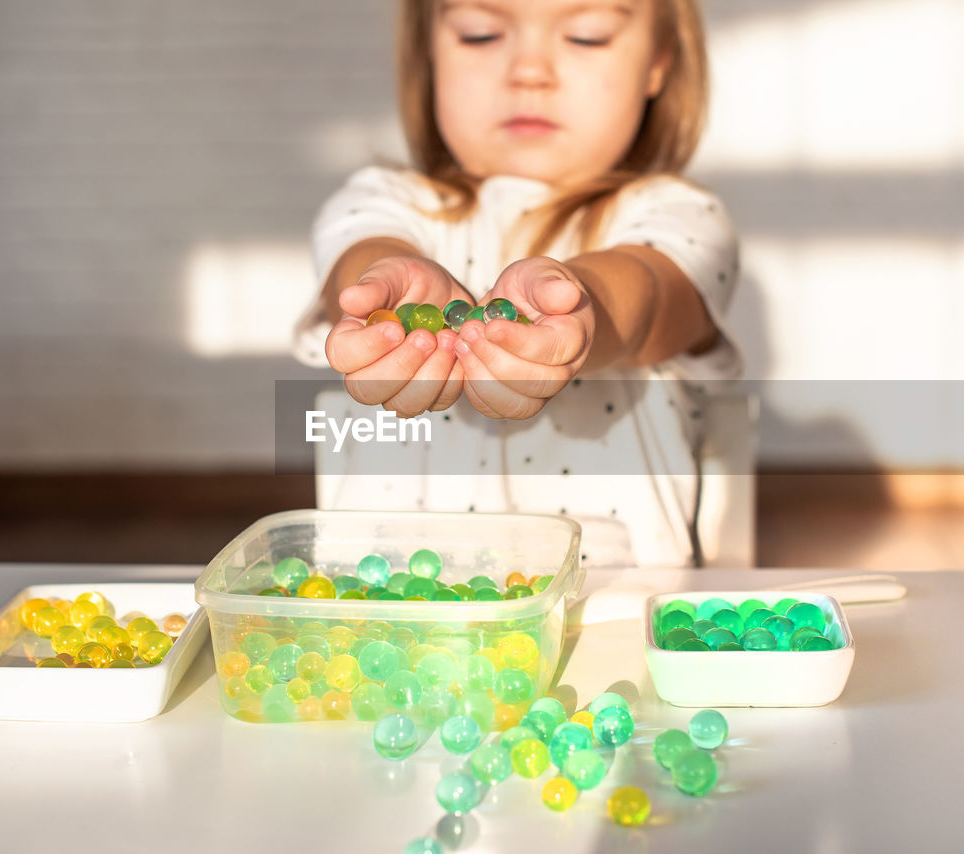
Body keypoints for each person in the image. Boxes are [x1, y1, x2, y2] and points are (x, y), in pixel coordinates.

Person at [293, 0, 741, 567]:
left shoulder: (681, 216)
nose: (529, 71)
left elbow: (649, 294)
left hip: (607, 594)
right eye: (480, 35)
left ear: (658, 63)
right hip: (393, 604)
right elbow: (361, 263)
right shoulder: (384, 200)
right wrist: (387, 304)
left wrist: (578, 306)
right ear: (428, 53)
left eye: (587, 35)